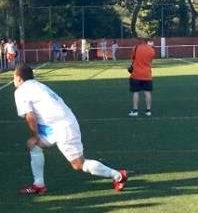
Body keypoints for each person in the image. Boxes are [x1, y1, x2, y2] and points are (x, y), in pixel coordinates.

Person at [14, 65, 128, 195]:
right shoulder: (38, 85)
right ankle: (38, 185)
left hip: (63, 127)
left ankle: (118, 175)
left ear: (18, 78)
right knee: (36, 147)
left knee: (79, 164)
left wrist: (35, 136)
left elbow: (30, 116)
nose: (13, 81)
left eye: (14, 77)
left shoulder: (21, 91)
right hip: (56, 125)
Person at [128, 37, 155, 117]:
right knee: (147, 92)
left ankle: (135, 110)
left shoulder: (135, 48)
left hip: (136, 75)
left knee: (136, 92)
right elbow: (149, 61)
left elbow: (132, 59)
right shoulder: (152, 50)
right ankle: (148, 110)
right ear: (147, 41)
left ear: (140, 41)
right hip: (147, 75)